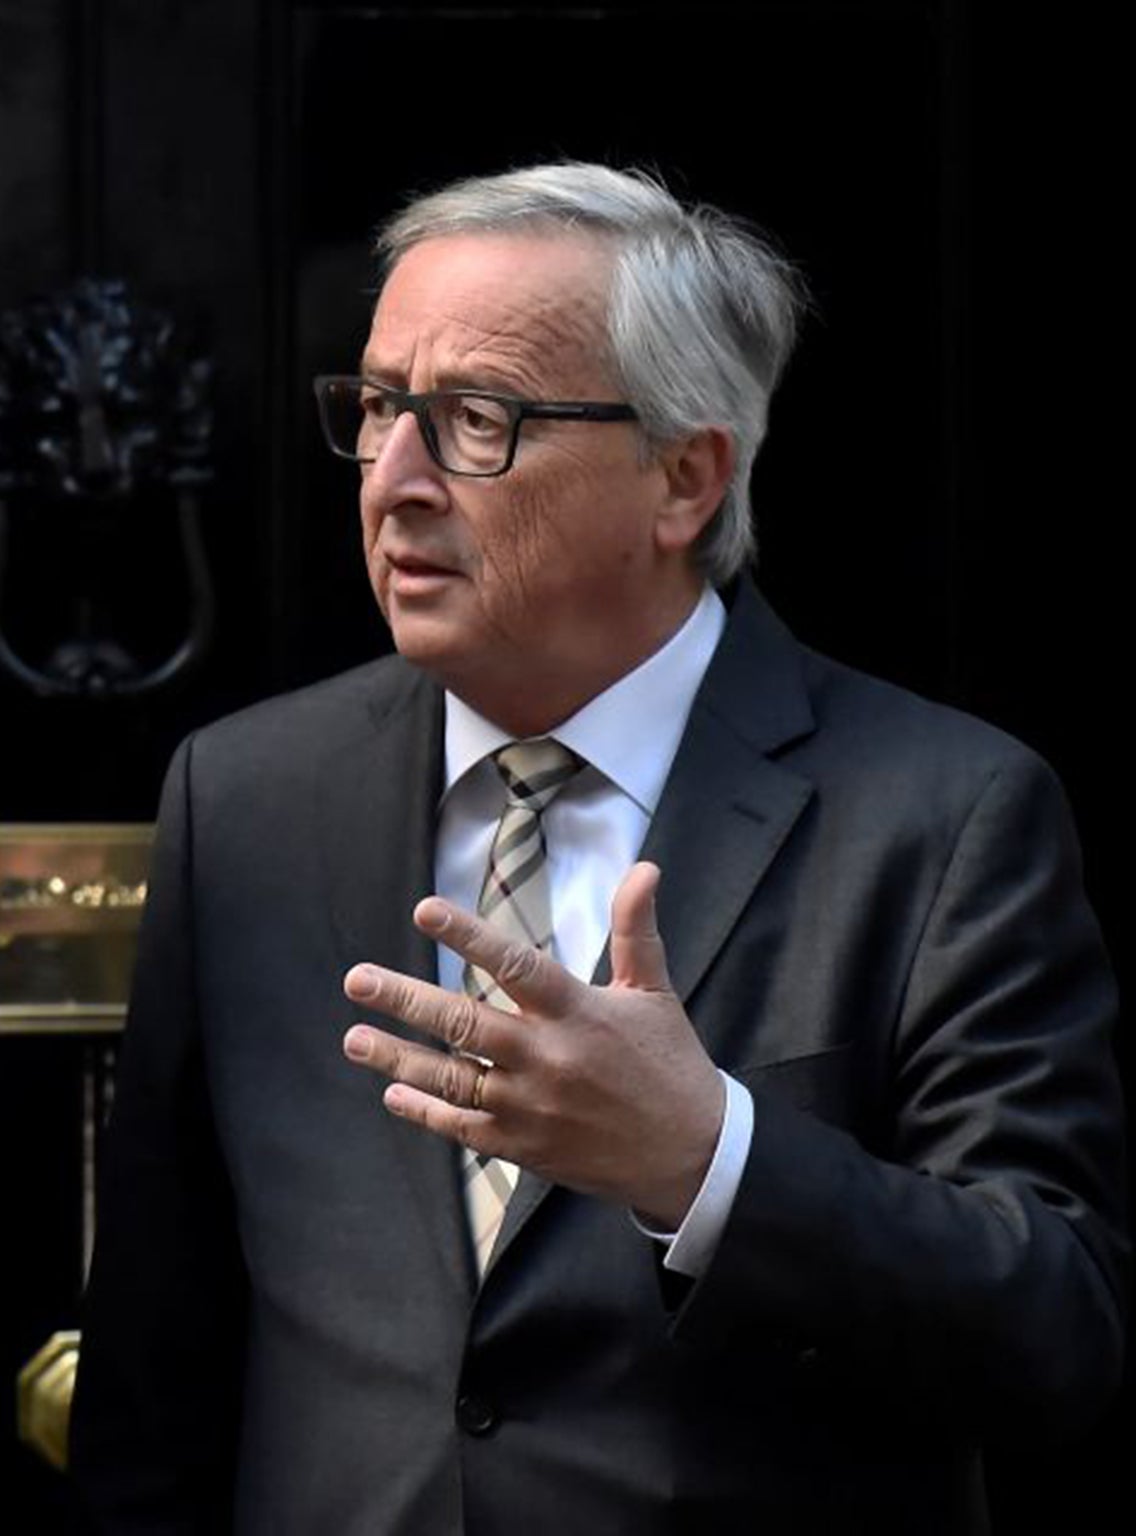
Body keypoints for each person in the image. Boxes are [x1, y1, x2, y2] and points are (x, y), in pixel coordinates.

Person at [69, 162, 1127, 1533]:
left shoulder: (942, 815)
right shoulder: (247, 795)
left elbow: (1056, 1330)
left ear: (684, 478)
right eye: (378, 408)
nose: (392, 481)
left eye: (476, 420)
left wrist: (710, 1160)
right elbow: (160, 1358)